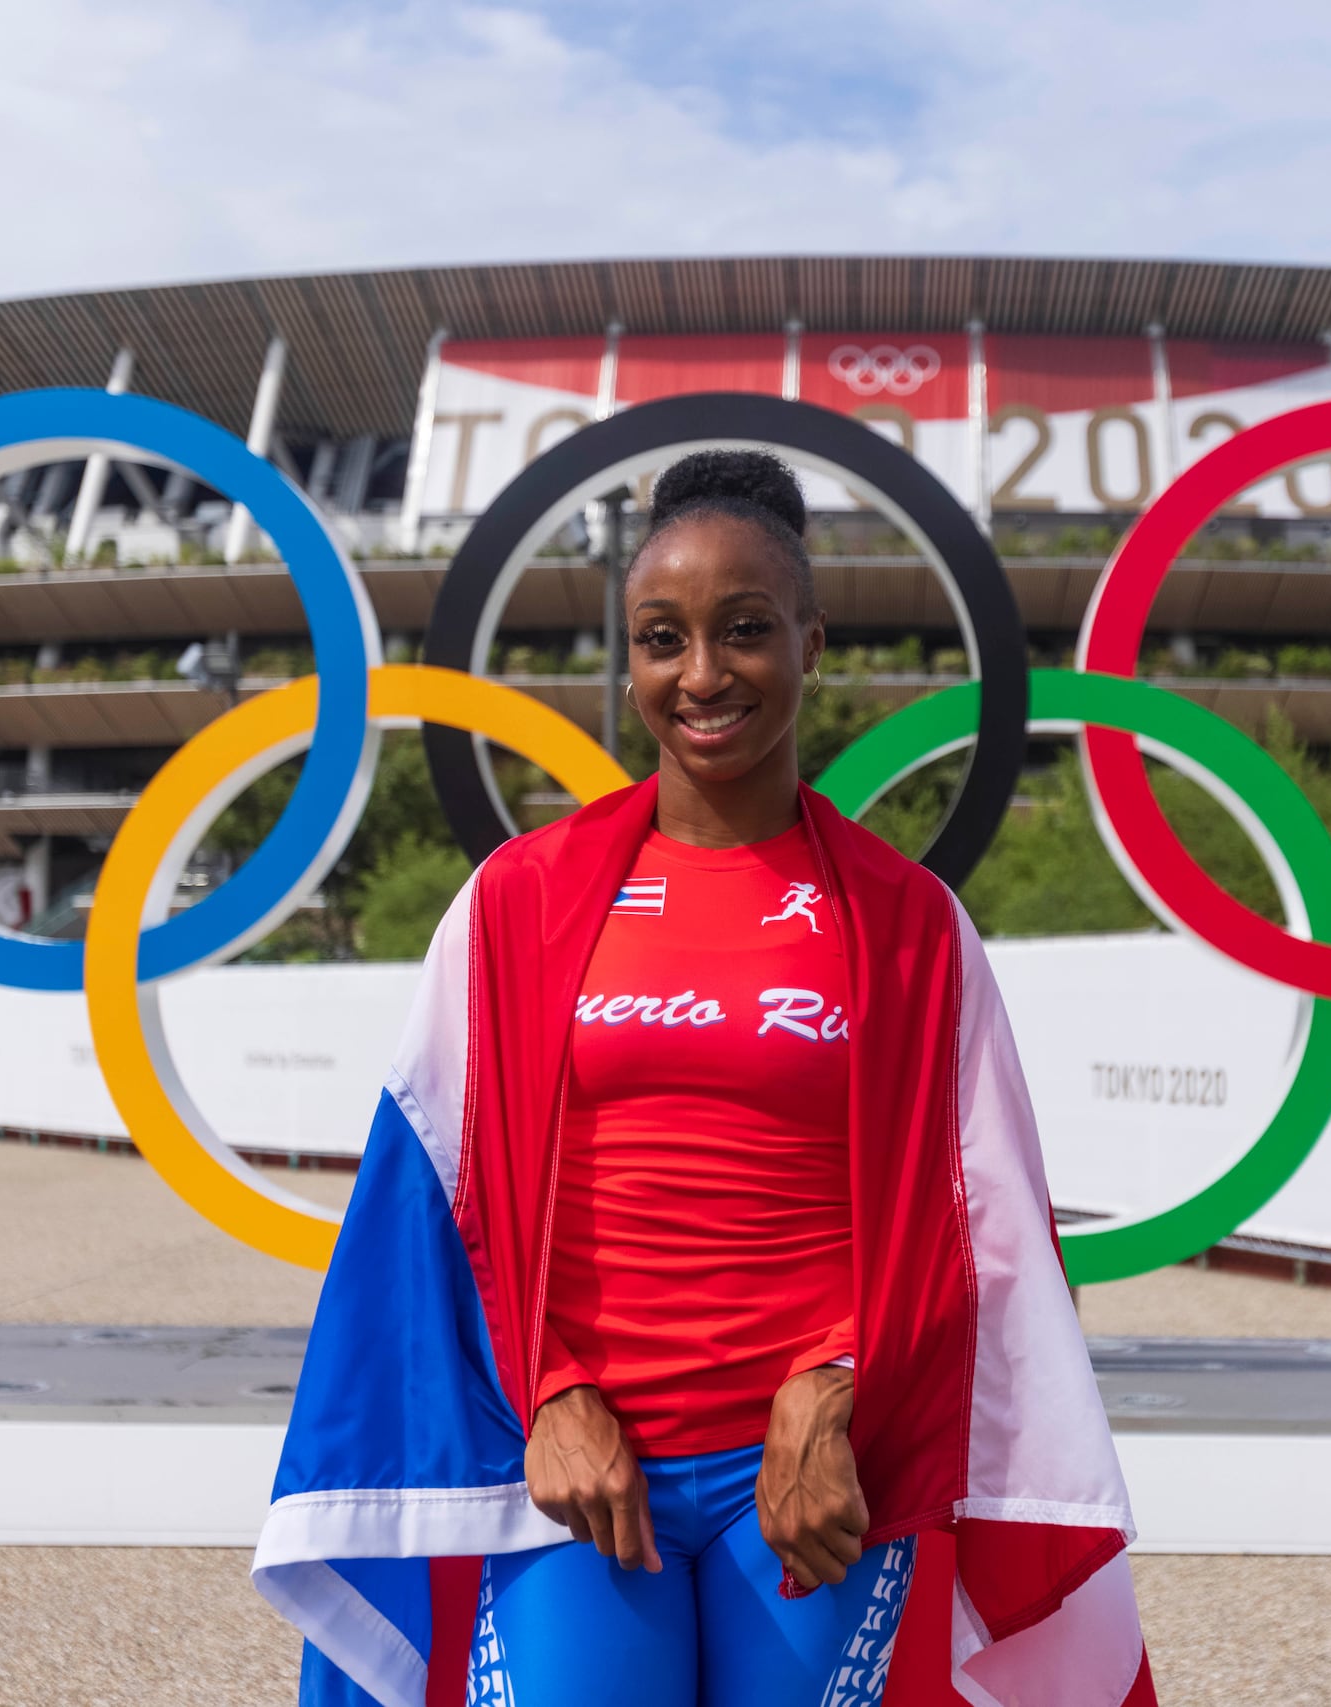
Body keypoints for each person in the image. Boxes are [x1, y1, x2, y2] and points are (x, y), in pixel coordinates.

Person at [256, 452, 1152, 1707]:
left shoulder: (908, 926)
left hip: (807, 1484)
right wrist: (551, 1395)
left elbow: (983, 1235)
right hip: (574, 1474)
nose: (701, 675)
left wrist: (841, 1389)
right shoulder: (518, 905)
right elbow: (436, 1207)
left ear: (810, 643)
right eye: (660, 639)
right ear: (627, 661)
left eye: (744, 631)